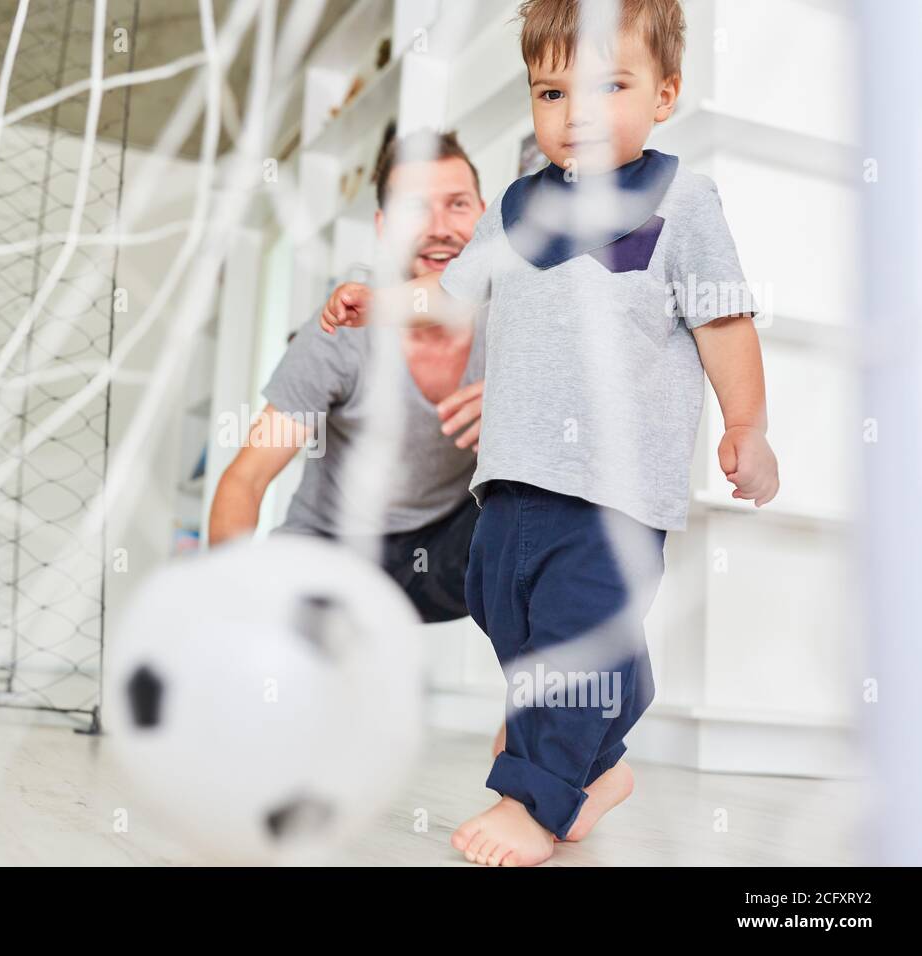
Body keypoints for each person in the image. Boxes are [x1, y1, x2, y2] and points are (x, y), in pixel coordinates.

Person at [320, 0, 779, 865]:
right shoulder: (518, 207)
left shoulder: (686, 201)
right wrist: (375, 299)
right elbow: (452, 297)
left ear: (665, 93)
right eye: (552, 90)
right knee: (509, 614)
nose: (579, 114)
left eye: (611, 85)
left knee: (571, 640)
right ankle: (598, 762)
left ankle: (532, 798)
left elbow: (726, 323)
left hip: (615, 490)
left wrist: (746, 427)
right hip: (510, 478)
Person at [208, 129, 489, 624]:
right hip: (335, 546)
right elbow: (247, 478)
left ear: (485, 215)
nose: (440, 227)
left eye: (458, 204)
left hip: (446, 544)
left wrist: (519, 403)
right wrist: (228, 588)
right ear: (382, 228)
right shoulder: (340, 330)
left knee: (540, 495)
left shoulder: (517, 315)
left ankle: (555, 686)